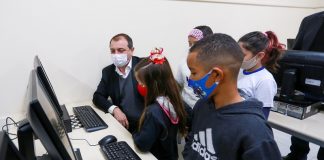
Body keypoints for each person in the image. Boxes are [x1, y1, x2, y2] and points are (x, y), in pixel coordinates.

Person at [182, 33, 281, 160]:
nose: (190, 79)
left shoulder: (255, 132)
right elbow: (192, 144)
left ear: (216, 75)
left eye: (193, 72)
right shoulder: (202, 106)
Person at [132, 48, 187, 160]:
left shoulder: (153, 111)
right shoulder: (174, 100)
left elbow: (142, 144)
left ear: (153, 85)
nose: (139, 86)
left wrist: (134, 133)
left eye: (141, 83)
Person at [283, 11, 324, 160]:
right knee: (299, 123)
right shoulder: (310, 20)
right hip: (307, 84)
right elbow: (296, 52)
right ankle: (297, 154)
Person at [93, 33, 144, 133]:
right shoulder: (108, 72)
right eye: (113, 51)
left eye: (121, 50)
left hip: (146, 124)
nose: (116, 54)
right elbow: (97, 96)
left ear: (132, 50)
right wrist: (114, 109)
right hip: (124, 125)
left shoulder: (144, 66)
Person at [237, 31, 285, 119]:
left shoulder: (266, 81)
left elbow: (262, 118)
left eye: (242, 55)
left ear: (259, 56)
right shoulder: (240, 71)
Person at [176, 25, 213, 108]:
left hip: (207, 111)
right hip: (186, 109)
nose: (192, 47)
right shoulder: (184, 63)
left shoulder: (216, 66)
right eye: (190, 43)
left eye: (196, 43)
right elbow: (178, 85)